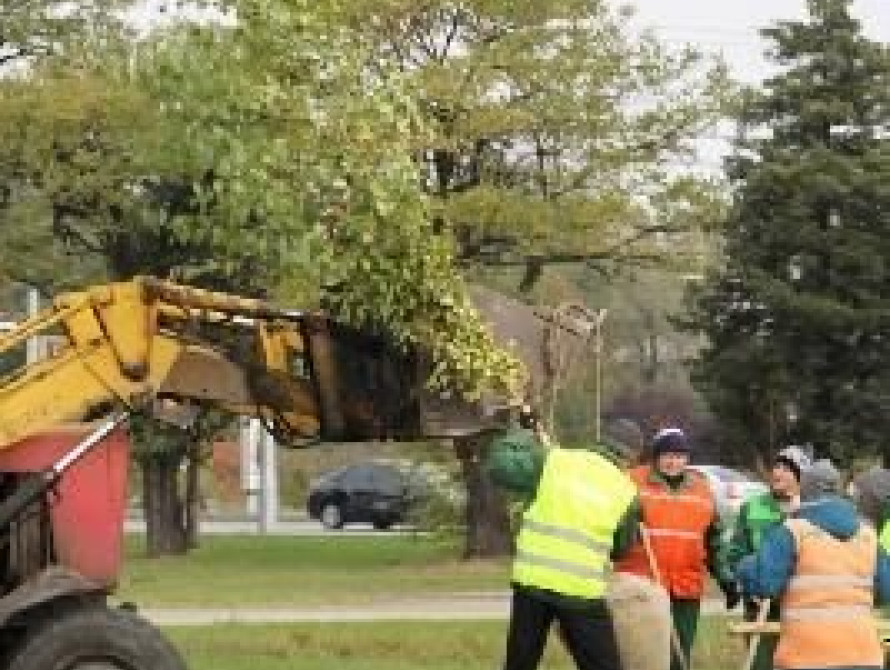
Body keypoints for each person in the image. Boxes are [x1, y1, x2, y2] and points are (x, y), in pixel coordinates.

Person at [486, 413, 640, 670]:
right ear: (632, 456)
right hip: (580, 590)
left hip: (532, 581)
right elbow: (621, 549)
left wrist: (524, 436)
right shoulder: (626, 492)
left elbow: (500, 467)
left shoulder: (555, 460)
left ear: (600, 440)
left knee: (520, 662)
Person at [738, 459, 890, 670]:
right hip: (863, 656)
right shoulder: (868, 537)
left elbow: (765, 584)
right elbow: (885, 592)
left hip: (807, 656)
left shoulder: (793, 531)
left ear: (805, 490)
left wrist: (745, 567)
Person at [615, 427, 736, 670]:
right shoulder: (632, 482)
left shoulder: (703, 490)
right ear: (656, 457)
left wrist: (726, 580)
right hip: (644, 589)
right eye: (667, 456)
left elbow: (714, 542)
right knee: (643, 657)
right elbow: (614, 532)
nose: (673, 462)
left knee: (680, 656)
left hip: (685, 589)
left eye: (680, 456)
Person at [727, 446, 812, 670]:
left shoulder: (811, 509)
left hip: (801, 610)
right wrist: (748, 585)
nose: (778, 473)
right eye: (777, 466)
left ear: (800, 476)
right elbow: (736, 555)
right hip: (760, 608)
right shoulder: (751, 508)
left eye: (787, 468)